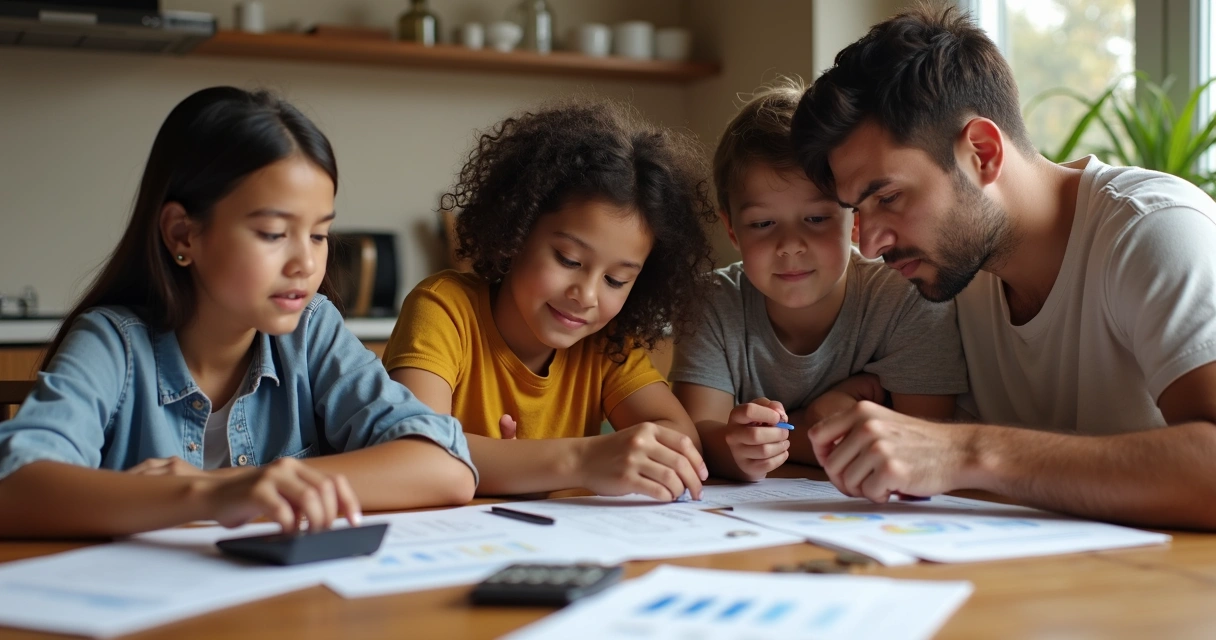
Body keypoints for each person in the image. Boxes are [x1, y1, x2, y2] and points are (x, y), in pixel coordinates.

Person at [790, 6, 1216, 529]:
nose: (872, 244)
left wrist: (967, 451)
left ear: (983, 153)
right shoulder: (946, 271)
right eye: (858, 210)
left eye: (889, 197)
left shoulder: (1153, 230)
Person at [0, 87, 477, 539]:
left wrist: (244, 482)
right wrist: (209, 495)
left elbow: (444, 465)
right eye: (273, 233)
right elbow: (13, 486)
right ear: (183, 234)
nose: (306, 263)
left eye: (318, 235)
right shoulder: (112, 344)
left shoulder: (311, 330)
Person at [383, 98, 715, 501]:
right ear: (516, 231)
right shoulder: (443, 309)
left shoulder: (607, 344)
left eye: (615, 280)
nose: (586, 296)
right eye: (568, 260)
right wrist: (579, 460)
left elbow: (683, 442)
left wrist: (522, 464)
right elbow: (420, 447)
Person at [670, 79, 967, 482]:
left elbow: (924, 447)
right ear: (733, 230)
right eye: (762, 223)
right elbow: (697, 443)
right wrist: (811, 423)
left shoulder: (905, 297)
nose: (790, 246)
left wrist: (785, 436)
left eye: (816, 218)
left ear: (856, 220)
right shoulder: (710, 304)